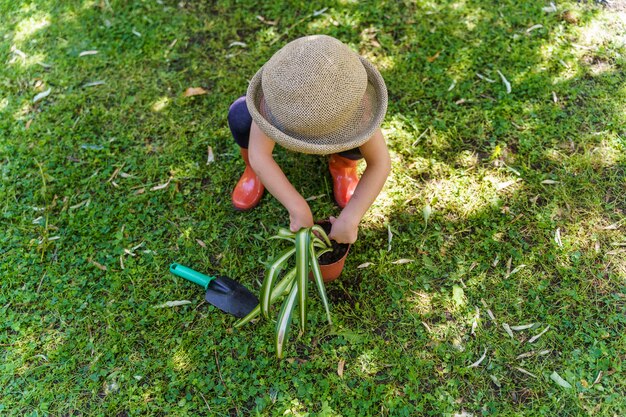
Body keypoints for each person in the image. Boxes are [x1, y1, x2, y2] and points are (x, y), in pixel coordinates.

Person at [227, 35, 390, 244]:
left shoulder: (354, 102)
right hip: (287, 118)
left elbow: (380, 163)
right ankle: (254, 172)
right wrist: (297, 206)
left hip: (342, 118)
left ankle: (344, 165)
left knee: (361, 138)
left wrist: (351, 218)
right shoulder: (279, 100)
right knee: (240, 117)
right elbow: (260, 154)